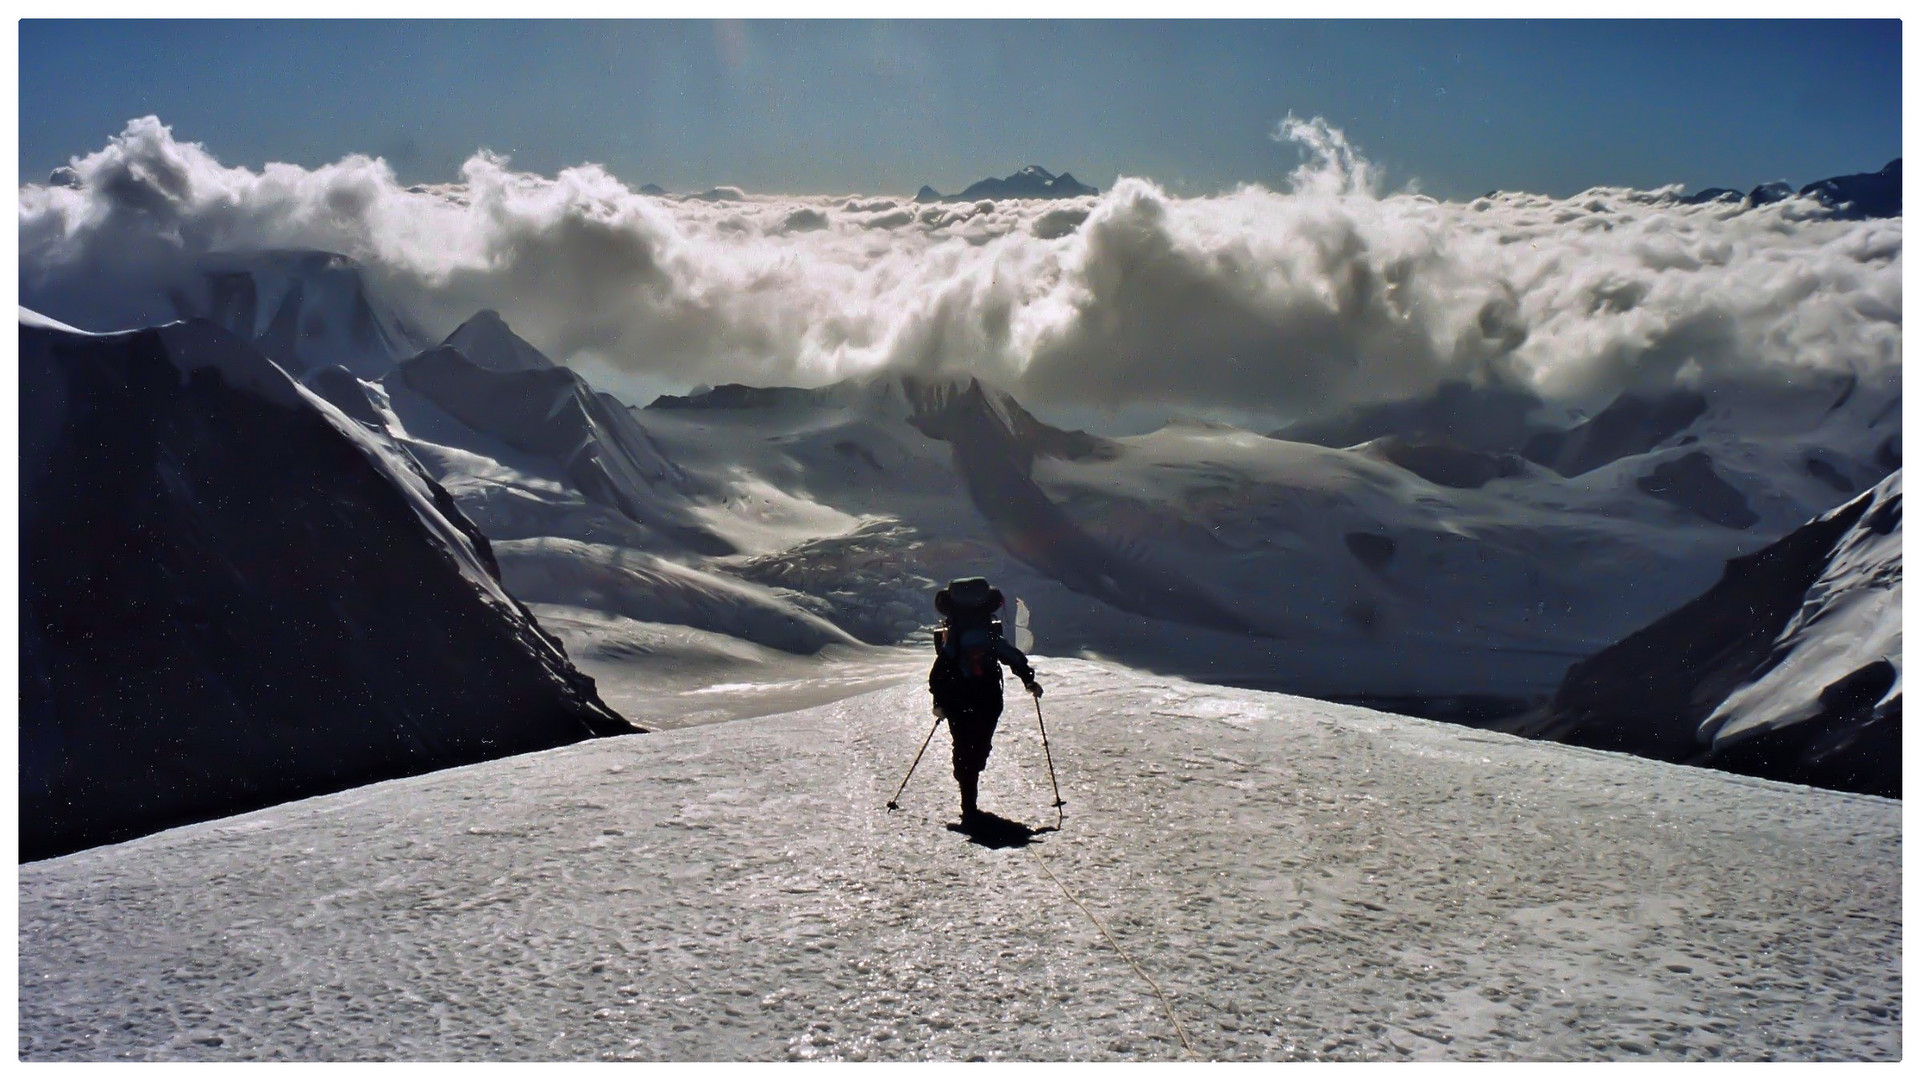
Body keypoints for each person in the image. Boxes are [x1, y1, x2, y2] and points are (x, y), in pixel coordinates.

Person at [927, 577, 1041, 822]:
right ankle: (971, 783)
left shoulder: (955, 640)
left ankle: (967, 797)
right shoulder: (989, 636)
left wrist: (939, 700)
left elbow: (940, 671)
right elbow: (1011, 655)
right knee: (979, 745)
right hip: (988, 698)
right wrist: (1028, 679)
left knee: (962, 744)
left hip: (957, 700)